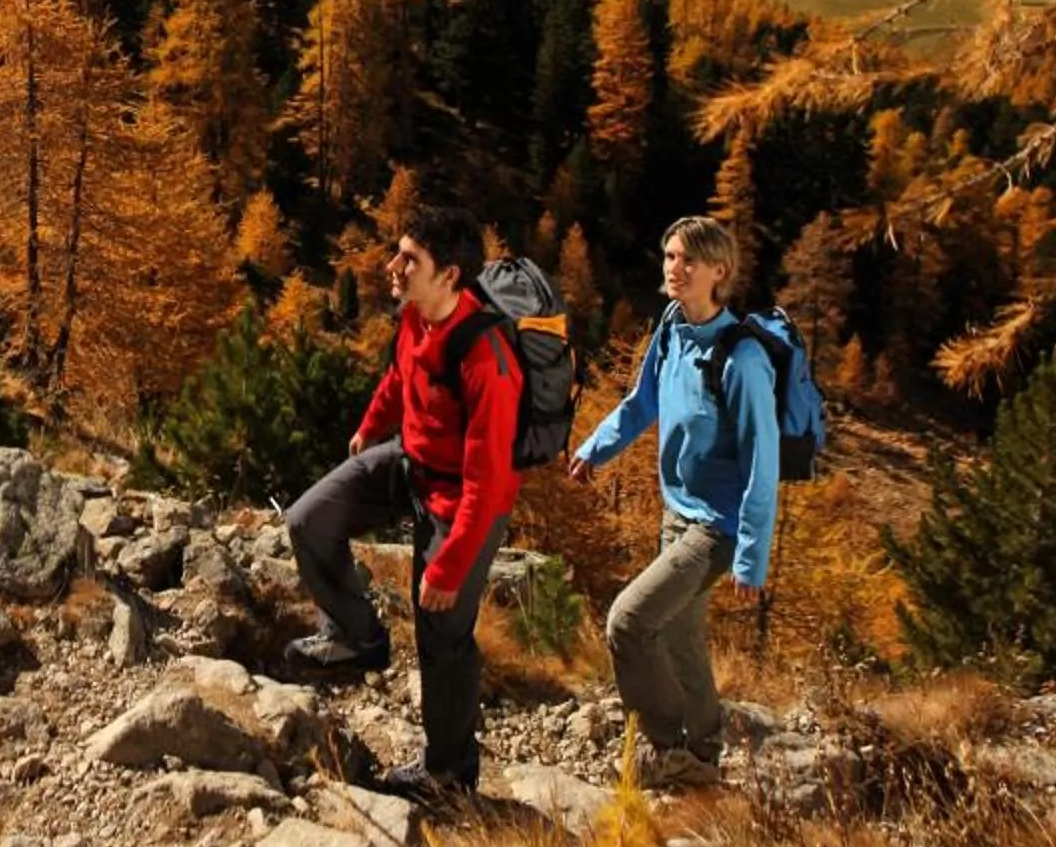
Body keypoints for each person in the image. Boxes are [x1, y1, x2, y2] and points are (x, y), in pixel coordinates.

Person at [284, 206, 518, 804]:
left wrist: (448, 564)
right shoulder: (415, 317)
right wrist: (371, 426)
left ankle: (449, 772)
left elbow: (487, 479)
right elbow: (398, 377)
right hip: (409, 464)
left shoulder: (485, 356)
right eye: (399, 252)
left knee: (442, 628)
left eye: (409, 260)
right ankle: (357, 637)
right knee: (310, 520)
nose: (393, 266)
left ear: (450, 276)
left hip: (467, 499)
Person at [569, 215, 778, 789]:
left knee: (629, 622)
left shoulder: (744, 362)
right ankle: (703, 753)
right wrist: (596, 450)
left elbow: (765, 461)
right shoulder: (672, 327)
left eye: (688, 260)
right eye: (669, 257)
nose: (674, 268)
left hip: (718, 527)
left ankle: (664, 747)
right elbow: (642, 402)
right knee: (681, 634)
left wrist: (752, 554)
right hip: (677, 511)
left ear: (720, 271)